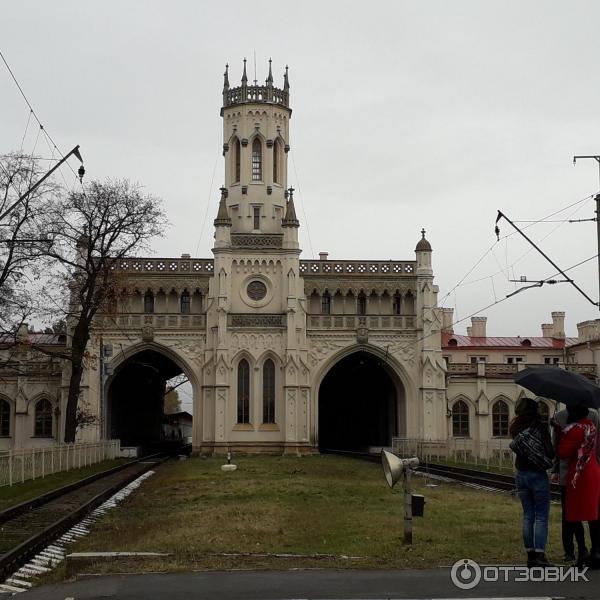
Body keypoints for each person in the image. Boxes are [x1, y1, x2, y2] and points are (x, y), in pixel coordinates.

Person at [551, 407, 600, 567]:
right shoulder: (591, 426)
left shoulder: (576, 429)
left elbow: (563, 451)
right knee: (594, 513)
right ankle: (596, 552)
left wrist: (560, 432)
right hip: (592, 470)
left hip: (577, 475)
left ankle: (581, 552)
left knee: (574, 514)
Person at [509, 397, 555, 568]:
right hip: (538, 475)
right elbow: (550, 453)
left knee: (528, 515)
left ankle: (530, 556)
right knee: (541, 516)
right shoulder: (539, 426)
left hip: (521, 474)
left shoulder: (515, 427)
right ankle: (540, 555)